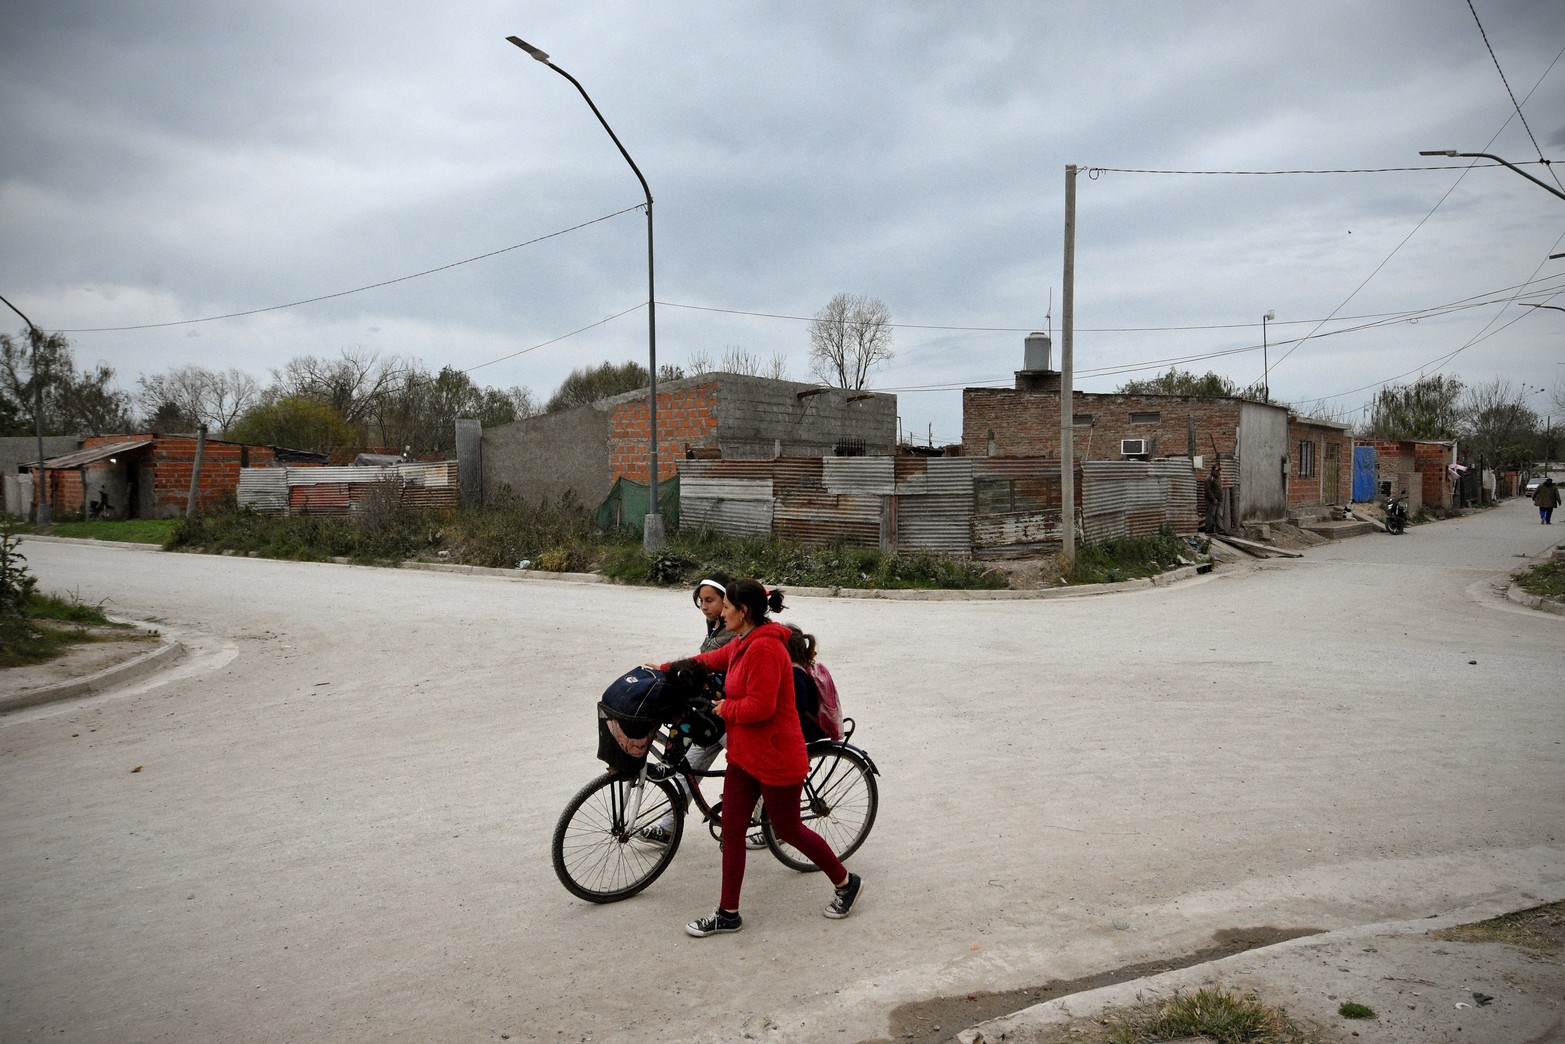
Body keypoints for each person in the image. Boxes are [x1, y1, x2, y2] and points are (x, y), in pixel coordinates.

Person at [667, 579, 862, 937]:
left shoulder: (766, 650)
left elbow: (761, 706)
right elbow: (710, 658)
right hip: (744, 755)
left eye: (725, 607)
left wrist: (725, 707)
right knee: (733, 829)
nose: (720, 613)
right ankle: (728, 913)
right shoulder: (742, 642)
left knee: (789, 828)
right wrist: (667, 667)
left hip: (775, 755)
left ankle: (846, 882)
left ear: (744, 612)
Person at [638, 572, 735, 847]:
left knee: (752, 770)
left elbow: (707, 663)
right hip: (716, 714)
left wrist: (675, 669)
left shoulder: (738, 635)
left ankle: (765, 822)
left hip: (735, 716)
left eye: (712, 601)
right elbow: (704, 661)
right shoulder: (716, 627)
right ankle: (668, 828)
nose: (705, 606)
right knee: (687, 768)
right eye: (701, 601)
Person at [1204, 461, 1223, 534]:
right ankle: (1209, 530)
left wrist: (1220, 498)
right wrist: (1213, 499)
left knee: (1219, 515)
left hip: (1219, 500)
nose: (1218, 472)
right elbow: (1207, 491)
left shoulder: (1218, 478)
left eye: (1219, 471)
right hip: (1211, 501)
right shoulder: (1209, 478)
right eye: (1216, 471)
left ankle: (1220, 530)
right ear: (1212, 471)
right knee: (1211, 515)